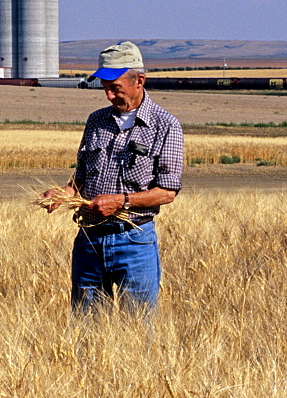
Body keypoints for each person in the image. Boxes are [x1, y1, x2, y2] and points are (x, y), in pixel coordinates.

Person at [41, 41, 183, 312]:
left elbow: (167, 192)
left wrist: (121, 202)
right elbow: (80, 179)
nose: (108, 96)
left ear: (139, 80)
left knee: (136, 330)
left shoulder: (166, 125)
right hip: (89, 239)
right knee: (87, 330)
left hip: (134, 240)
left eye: (115, 88)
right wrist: (62, 193)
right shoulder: (96, 121)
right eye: (105, 88)